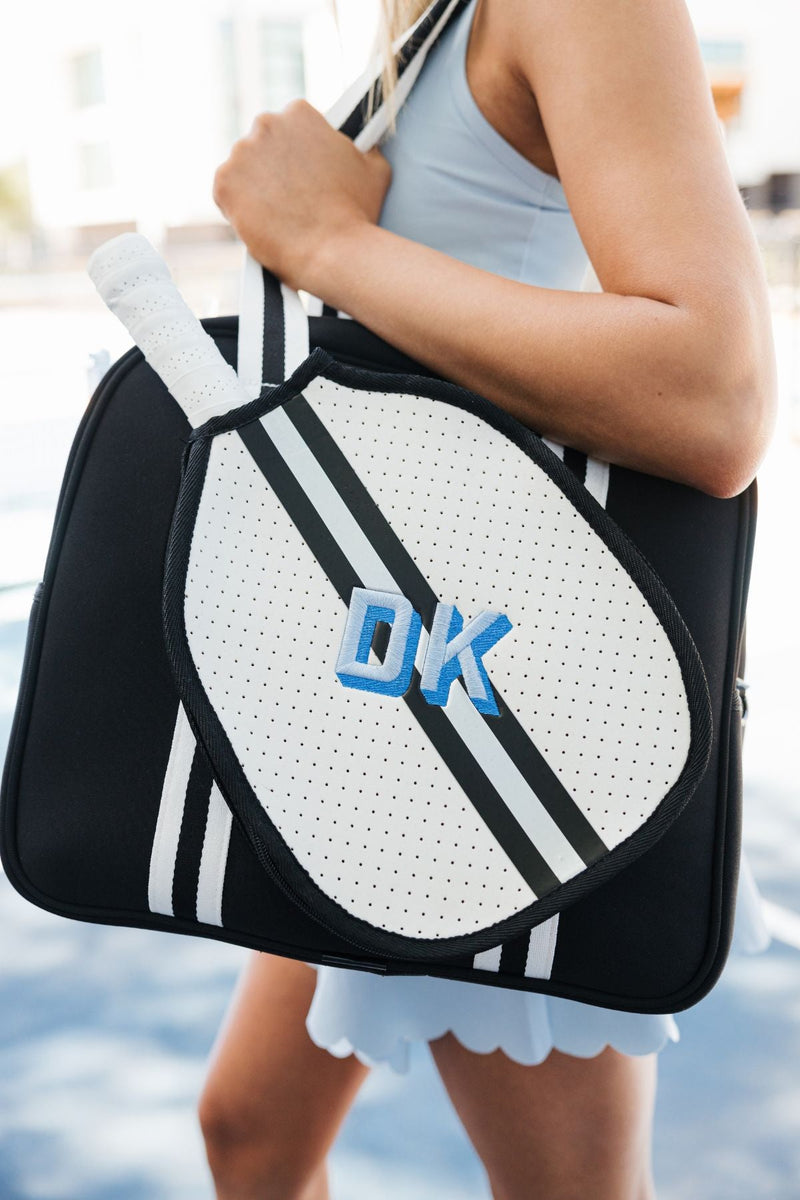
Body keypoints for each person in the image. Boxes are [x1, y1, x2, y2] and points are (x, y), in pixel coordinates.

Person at [202, 1, 777, 1196]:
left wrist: (326, 243)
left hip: (486, 713)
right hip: (389, 694)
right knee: (249, 1132)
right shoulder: (427, 16)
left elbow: (713, 395)